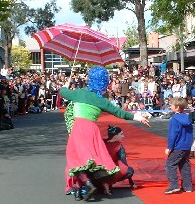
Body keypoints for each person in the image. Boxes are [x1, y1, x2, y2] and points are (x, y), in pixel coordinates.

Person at [60, 66, 150, 201]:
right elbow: (120, 113)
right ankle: (93, 184)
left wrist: (65, 85)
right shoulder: (102, 101)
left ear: (90, 79)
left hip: (78, 128)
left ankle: (87, 184)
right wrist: (138, 117)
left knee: (75, 158)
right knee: (92, 159)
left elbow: (62, 92)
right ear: (104, 82)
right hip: (92, 130)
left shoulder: (79, 93)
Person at [164, 97, 193, 194]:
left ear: (176, 107)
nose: (170, 107)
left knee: (170, 165)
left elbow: (173, 135)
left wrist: (169, 147)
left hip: (178, 146)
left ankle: (173, 185)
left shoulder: (174, 120)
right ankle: (187, 186)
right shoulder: (187, 118)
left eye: (171, 105)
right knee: (184, 165)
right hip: (187, 145)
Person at [104, 126, 136, 193]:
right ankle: (109, 182)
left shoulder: (101, 142)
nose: (123, 136)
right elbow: (124, 163)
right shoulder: (119, 147)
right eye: (121, 134)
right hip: (109, 170)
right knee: (129, 170)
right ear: (115, 136)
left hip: (97, 170)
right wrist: (131, 182)